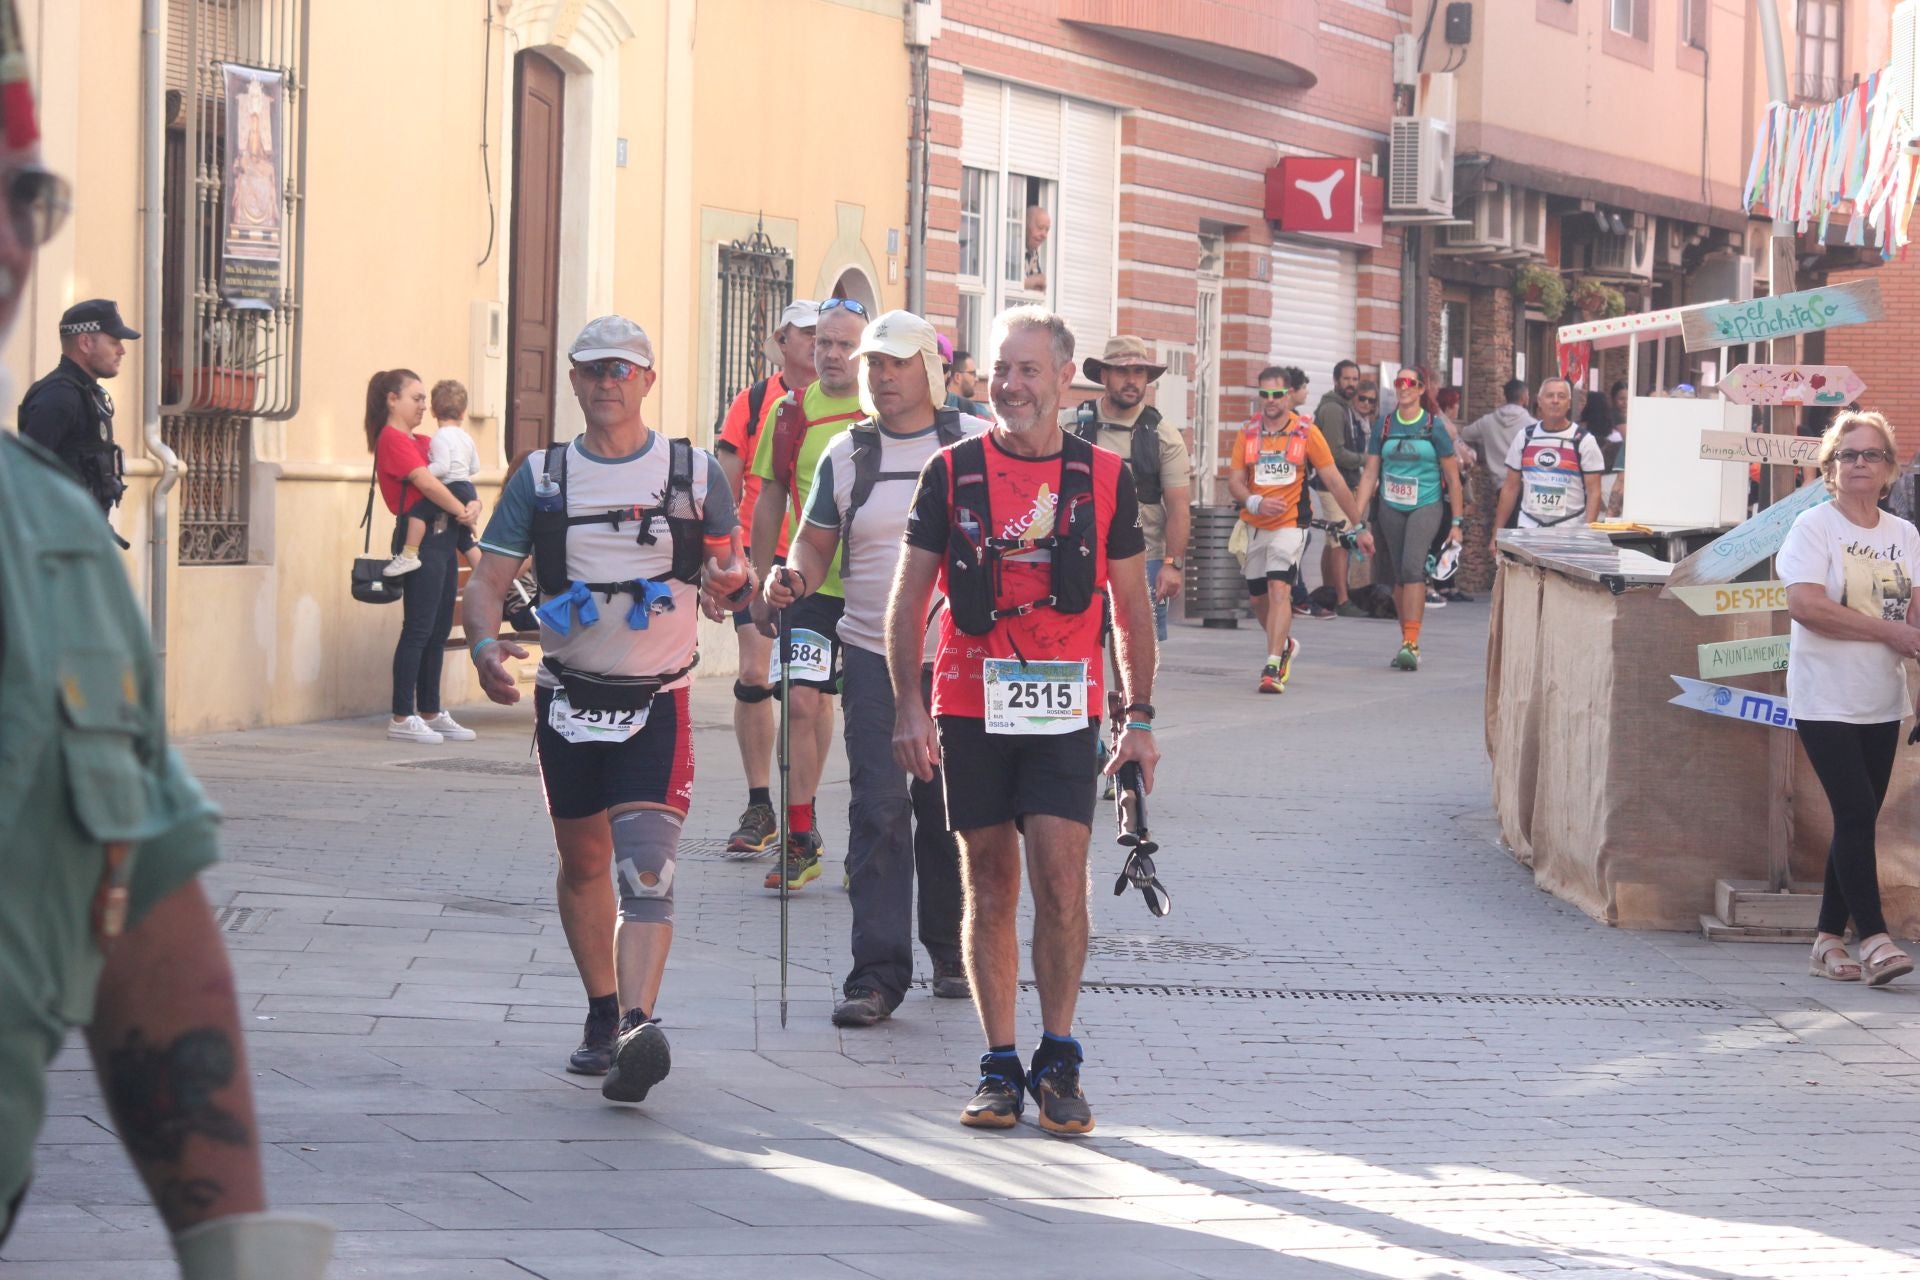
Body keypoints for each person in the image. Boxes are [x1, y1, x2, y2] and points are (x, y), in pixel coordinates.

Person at [0, 19, 334, 1269]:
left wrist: (235, 1252)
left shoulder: (53, 549)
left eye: (24, 195)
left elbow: (142, 918)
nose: (8, 241)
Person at [887, 305, 1159, 1136]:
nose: (1010, 386)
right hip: (969, 699)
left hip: (1062, 704)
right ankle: (1001, 1065)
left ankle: (1061, 1054)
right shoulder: (951, 471)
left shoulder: (1105, 477)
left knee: (1059, 875)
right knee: (991, 881)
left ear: (1062, 378)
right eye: (1001, 370)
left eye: (1028, 370)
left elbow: (1132, 605)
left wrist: (1138, 716)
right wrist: (907, 702)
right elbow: (908, 599)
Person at [464, 315, 748, 1100]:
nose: (607, 382)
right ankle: (601, 1010)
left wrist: (733, 587)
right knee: (584, 863)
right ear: (574, 381)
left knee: (646, 871)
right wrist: (487, 648)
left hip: (658, 700)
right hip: (567, 700)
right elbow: (486, 583)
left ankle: (635, 1026)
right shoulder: (543, 477)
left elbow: (733, 565)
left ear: (648, 380)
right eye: (592, 370)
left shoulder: (692, 473)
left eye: (622, 370)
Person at [765, 310, 988, 1026]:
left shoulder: (975, 445)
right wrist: (789, 579)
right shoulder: (848, 455)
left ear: (929, 367)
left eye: (895, 363)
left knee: (949, 812)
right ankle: (876, 976)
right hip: (868, 653)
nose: (882, 376)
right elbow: (813, 548)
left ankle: (953, 952)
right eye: (873, 364)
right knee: (878, 810)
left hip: (958, 662)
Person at [1780, 411, 1920, 987]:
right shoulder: (1814, 528)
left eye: (1871, 455)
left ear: (1889, 469)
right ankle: (1878, 939)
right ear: (1830, 466)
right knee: (1858, 812)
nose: (1859, 464)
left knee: (1854, 819)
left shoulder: (1904, 535)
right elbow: (1806, 606)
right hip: (1824, 697)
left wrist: (1905, 638)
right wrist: (1887, 632)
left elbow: (1912, 616)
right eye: (1848, 455)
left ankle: (1825, 939)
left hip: (1882, 698)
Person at [748, 298, 868, 889]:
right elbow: (771, 494)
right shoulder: (790, 411)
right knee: (800, 700)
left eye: (845, 344)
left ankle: (870, 838)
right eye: (823, 342)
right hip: (810, 583)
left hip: (881, 590)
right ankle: (800, 836)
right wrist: (758, 577)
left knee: (868, 720)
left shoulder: (888, 408)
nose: (832, 355)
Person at [715, 299, 817, 855]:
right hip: (762, 562)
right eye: (807, 334)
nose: (818, 344)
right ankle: (760, 806)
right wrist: (724, 558)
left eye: (828, 335)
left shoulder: (852, 402)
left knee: (808, 695)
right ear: (781, 339)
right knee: (755, 676)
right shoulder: (755, 401)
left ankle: (807, 813)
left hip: (822, 571)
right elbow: (723, 490)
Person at [1228, 367, 1375, 693]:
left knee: (1280, 589)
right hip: (1255, 525)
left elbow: (1335, 481)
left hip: (1291, 526)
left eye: (1277, 395)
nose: (1270, 401)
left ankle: (1271, 667)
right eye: (1264, 394)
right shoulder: (1248, 432)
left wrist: (1360, 527)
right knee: (1258, 600)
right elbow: (1235, 482)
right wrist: (1254, 502)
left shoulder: (1306, 432)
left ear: (1289, 395)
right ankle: (1284, 645)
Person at [369, 368, 482, 744]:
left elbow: (454, 475)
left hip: (443, 536)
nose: (422, 405)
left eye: (423, 399)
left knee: (437, 630)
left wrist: (473, 503)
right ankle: (402, 716)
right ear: (392, 400)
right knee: (417, 629)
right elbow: (427, 483)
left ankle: (431, 710)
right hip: (420, 540)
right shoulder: (392, 439)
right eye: (415, 398)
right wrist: (463, 509)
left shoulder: (424, 439)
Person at [1066, 335, 1191, 641]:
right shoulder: (1070, 425)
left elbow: (1179, 508)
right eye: (1122, 372)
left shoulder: (1164, 435)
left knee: (1136, 652)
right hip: (1079, 554)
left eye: (1139, 373)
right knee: (1074, 646)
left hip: (1143, 557)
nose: (1132, 380)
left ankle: (1132, 694)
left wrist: (1172, 565)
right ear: (1104, 376)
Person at [1354, 364, 1463, 672]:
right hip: (1390, 505)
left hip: (1426, 504)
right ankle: (1406, 641)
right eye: (1399, 382)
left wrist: (1457, 523)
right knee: (1401, 575)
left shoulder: (1433, 427)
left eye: (1409, 382)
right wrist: (1356, 517)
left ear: (1420, 389)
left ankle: (1411, 644)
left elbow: (1453, 479)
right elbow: (1370, 474)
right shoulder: (1384, 426)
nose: (1403, 387)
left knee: (1414, 567)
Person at [19, 298, 139, 545]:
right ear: (85, 342)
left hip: (82, 542)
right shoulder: (59, 396)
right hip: (57, 548)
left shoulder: (87, 393)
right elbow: (24, 476)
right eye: (114, 342)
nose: (122, 351)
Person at [386, 379, 482, 575]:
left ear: (433, 412)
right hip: (467, 487)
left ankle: (409, 555)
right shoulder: (466, 438)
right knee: (465, 538)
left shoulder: (439, 437)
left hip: (451, 487)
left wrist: (426, 472)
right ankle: (483, 574)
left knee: (418, 513)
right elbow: (475, 466)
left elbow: (443, 467)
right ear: (463, 413)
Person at [1489, 377, 1604, 539]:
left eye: (1561, 396)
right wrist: (1497, 532)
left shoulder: (1583, 440)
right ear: (1539, 401)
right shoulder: (1525, 437)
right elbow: (1510, 487)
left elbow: (1594, 491)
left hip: (1568, 530)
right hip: (1529, 528)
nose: (1555, 401)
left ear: (1569, 403)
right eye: (1550, 396)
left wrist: (1587, 534)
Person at [1312, 359, 1369, 617]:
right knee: (1341, 541)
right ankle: (1343, 599)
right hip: (1333, 483)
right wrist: (1364, 460)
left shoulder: (1344, 407)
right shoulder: (1334, 409)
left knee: (1332, 539)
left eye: (1355, 379)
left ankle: (1329, 592)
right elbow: (1334, 453)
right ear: (1336, 380)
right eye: (1346, 379)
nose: (1351, 384)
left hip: (1342, 482)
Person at [1462, 379, 1532, 525]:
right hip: (1525, 485)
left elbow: (1465, 434)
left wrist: (1484, 442)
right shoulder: (1532, 425)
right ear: (1524, 397)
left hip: (1501, 485)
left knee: (1505, 530)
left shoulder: (1488, 421)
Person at [945, 346, 986, 417]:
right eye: (973, 373)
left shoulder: (932, 409)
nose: (976, 379)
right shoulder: (978, 412)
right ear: (957, 377)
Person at [1022, 206, 1050, 293]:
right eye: (1040, 228)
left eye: (1047, 230)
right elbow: (1006, 284)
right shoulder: (1011, 250)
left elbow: (1039, 289)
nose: (1044, 235)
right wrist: (1035, 280)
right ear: (1026, 225)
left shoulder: (1033, 253)